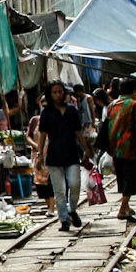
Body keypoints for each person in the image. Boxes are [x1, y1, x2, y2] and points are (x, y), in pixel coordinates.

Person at [36, 80, 87, 234]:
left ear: (64, 93)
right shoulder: (46, 113)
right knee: (59, 190)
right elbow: (42, 135)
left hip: (72, 153)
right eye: (55, 92)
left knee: (75, 184)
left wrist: (86, 148)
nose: (58, 95)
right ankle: (64, 219)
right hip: (54, 156)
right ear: (50, 95)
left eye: (60, 92)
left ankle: (72, 209)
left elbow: (78, 132)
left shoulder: (72, 110)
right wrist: (39, 155)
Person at [106, 76, 136, 223]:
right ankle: (122, 209)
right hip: (131, 148)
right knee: (130, 179)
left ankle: (127, 207)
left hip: (115, 148)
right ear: (134, 91)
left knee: (122, 178)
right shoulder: (135, 105)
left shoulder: (111, 105)